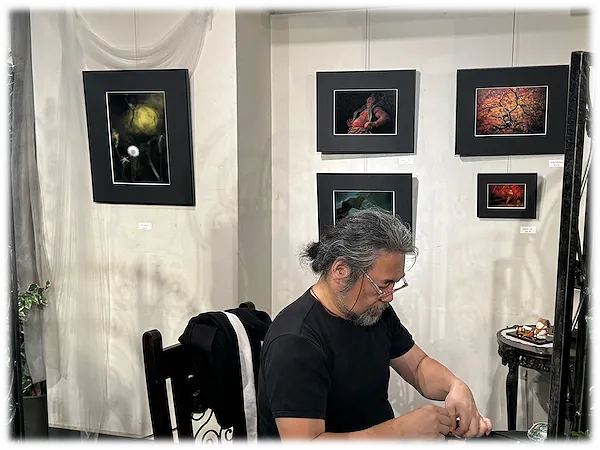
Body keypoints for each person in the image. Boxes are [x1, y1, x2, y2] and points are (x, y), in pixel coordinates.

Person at [257, 208, 492, 450]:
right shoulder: (295, 341)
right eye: (383, 285)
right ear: (340, 270)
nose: (389, 296)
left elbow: (417, 366)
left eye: (395, 284)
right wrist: (401, 430)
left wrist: (455, 386)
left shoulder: (373, 312)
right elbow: (305, 447)